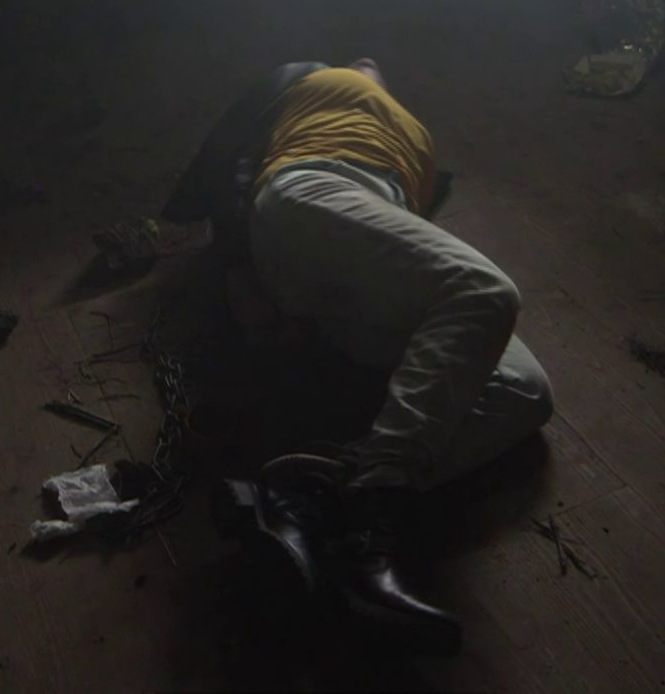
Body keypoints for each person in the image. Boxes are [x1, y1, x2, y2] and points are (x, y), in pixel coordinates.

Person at [160, 57, 555, 652]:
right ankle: (375, 515)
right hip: (311, 193)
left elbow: (402, 251)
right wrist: (238, 271)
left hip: (356, 260)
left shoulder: (414, 140)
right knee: (484, 291)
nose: (372, 64)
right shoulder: (316, 81)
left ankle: (305, 495)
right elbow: (229, 159)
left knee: (524, 390)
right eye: (360, 61)